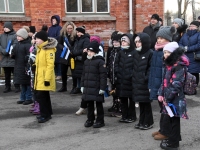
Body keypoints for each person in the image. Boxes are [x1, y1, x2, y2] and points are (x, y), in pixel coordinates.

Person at [158, 42, 189, 150]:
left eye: (168, 52)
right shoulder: (169, 64)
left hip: (176, 98)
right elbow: (164, 81)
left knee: (175, 120)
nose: (166, 54)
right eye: (165, 52)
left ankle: (174, 143)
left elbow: (176, 84)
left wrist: (167, 97)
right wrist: (160, 94)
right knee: (171, 119)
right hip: (169, 97)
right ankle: (173, 138)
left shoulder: (179, 66)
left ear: (174, 53)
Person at [149, 26, 176, 140]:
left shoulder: (167, 52)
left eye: (161, 38)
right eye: (158, 38)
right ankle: (162, 129)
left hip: (164, 86)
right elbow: (153, 69)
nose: (159, 40)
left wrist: (164, 88)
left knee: (166, 110)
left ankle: (166, 132)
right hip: (157, 85)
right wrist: (151, 86)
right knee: (162, 109)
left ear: (168, 39)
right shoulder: (157, 50)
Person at [81, 41, 107, 128]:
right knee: (89, 104)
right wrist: (82, 85)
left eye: (91, 51)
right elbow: (83, 74)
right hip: (88, 87)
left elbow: (103, 76)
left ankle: (100, 120)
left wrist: (102, 88)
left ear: (95, 52)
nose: (89, 53)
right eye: (88, 51)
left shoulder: (100, 61)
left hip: (97, 87)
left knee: (99, 104)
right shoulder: (86, 61)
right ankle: (90, 119)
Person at [34, 30, 57, 123]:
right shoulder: (40, 49)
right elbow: (40, 62)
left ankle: (45, 115)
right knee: (44, 96)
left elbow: (50, 65)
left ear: (43, 40)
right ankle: (48, 113)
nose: (36, 40)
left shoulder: (49, 50)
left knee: (41, 97)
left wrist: (47, 79)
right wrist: (34, 65)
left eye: (37, 39)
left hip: (44, 77)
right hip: (39, 76)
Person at [132, 33, 154, 130]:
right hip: (137, 82)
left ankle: (148, 122)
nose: (137, 44)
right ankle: (142, 120)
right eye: (136, 42)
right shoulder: (136, 53)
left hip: (145, 82)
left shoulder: (150, 53)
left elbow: (151, 69)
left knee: (146, 103)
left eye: (139, 42)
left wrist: (145, 78)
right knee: (141, 102)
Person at [115, 34, 137, 123]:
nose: (123, 43)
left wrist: (131, 75)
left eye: (124, 41)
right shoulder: (120, 52)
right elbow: (116, 64)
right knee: (123, 99)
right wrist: (118, 72)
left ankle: (132, 116)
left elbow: (136, 66)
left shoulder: (134, 53)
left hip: (130, 80)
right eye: (122, 41)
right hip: (121, 80)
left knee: (131, 100)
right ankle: (124, 115)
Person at [10, 28, 33, 105]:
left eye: (19, 36)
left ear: (24, 36)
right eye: (17, 36)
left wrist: (27, 65)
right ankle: (22, 97)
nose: (17, 38)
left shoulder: (28, 45)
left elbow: (29, 57)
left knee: (27, 83)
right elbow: (15, 55)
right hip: (19, 66)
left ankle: (28, 97)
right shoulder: (17, 45)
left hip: (25, 67)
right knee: (22, 83)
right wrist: (12, 54)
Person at [57, 21, 77, 92]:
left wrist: (72, 50)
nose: (69, 30)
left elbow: (76, 44)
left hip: (72, 56)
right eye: (68, 28)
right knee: (63, 72)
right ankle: (64, 86)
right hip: (64, 55)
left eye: (71, 28)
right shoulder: (62, 35)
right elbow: (59, 44)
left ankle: (74, 87)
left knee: (73, 72)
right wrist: (63, 48)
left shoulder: (75, 35)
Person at [0, 21, 19, 93]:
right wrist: (3, 50)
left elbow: (15, 44)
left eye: (6, 27)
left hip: (12, 58)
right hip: (4, 58)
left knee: (15, 74)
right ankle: (7, 87)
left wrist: (9, 51)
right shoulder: (1, 36)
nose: (5, 28)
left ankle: (17, 86)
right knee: (7, 75)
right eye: (4, 27)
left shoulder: (15, 36)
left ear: (10, 28)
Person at [179, 21, 200, 86]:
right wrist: (183, 48)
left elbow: (198, 45)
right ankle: (186, 87)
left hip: (194, 56)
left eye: (193, 26)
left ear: (197, 27)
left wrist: (188, 49)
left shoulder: (198, 34)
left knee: (194, 72)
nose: (191, 27)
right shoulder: (185, 34)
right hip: (185, 56)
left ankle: (194, 87)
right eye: (190, 26)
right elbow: (180, 43)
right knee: (186, 72)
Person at [106, 33, 122, 117]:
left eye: (117, 42)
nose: (115, 43)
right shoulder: (112, 51)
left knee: (119, 93)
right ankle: (115, 105)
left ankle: (120, 109)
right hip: (112, 76)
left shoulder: (121, 51)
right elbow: (109, 63)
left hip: (118, 76)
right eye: (114, 42)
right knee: (113, 92)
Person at [71, 26, 90, 95]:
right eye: (77, 32)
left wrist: (75, 52)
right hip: (77, 59)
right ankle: (78, 87)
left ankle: (82, 88)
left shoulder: (86, 39)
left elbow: (84, 50)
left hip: (81, 59)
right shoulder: (77, 39)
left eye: (79, 32)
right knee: (77, 75)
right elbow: (75, 47)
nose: (77, 33)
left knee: (82, 75)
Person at [47, 15, 62, 80]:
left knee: (58, 61)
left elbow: (59, 36)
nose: (53, 21)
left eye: (54, 20)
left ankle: (59, 74)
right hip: (50, 46)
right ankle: (55, 73)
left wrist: (52, 40)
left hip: (57, 46)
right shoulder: (50, 28)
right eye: (52, 20)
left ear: (57, 21)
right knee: (53, 60)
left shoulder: (59, 28)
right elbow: (48, 35)